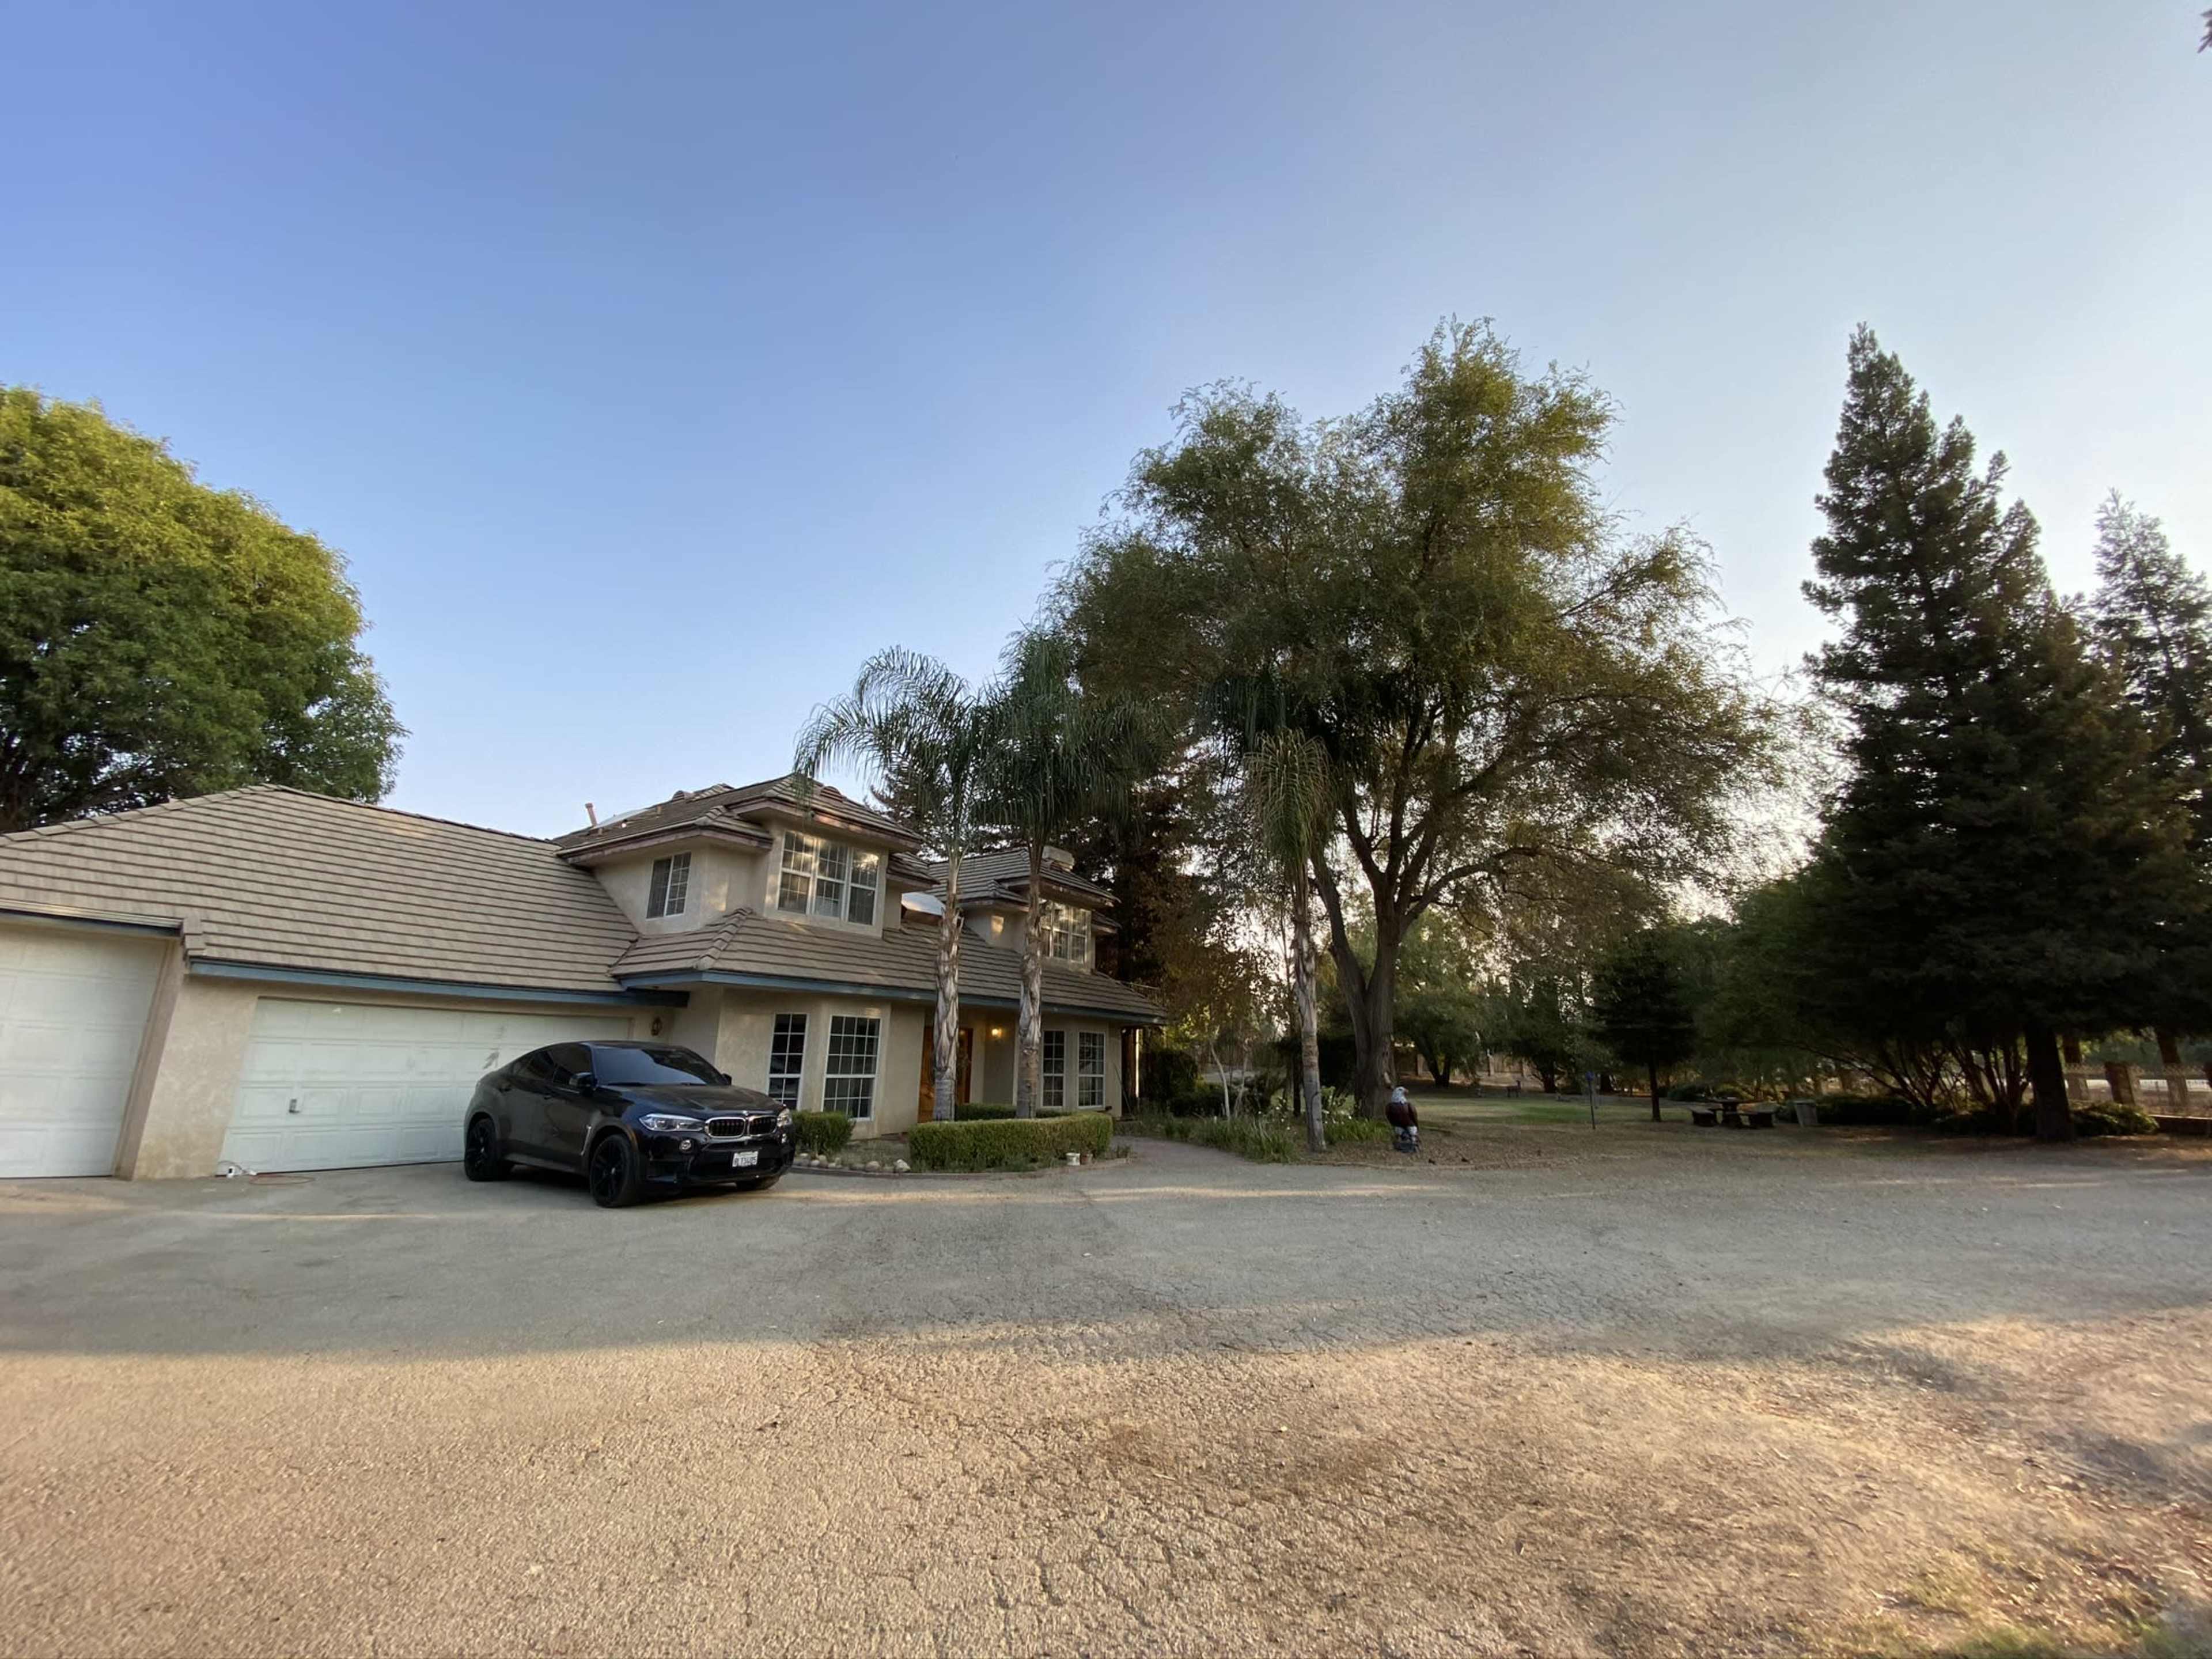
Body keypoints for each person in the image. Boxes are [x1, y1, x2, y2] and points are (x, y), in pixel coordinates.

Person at [1385, 1085, 1420, 1154]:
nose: (1405, 1091)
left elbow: (1414, 1119)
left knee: (1412, 1134)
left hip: (1411, 1125)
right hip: (1399, 1126)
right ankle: (1403, 1143)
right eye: (1401, 1090)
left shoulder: (1408, 1106)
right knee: (1401, 1133)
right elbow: (1391, 1120)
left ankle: (1413, 1145)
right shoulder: (1390, 1107)